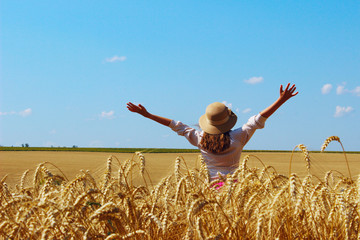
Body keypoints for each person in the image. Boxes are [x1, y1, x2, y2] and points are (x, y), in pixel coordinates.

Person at [127, 83, 298, 180]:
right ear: (228, 121)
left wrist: (147, 115)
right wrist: (281, 100)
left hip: (211, 188)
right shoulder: (238, 137)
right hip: (235, 186)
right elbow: (258, 119)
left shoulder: (199, 138)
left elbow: (174, 124)